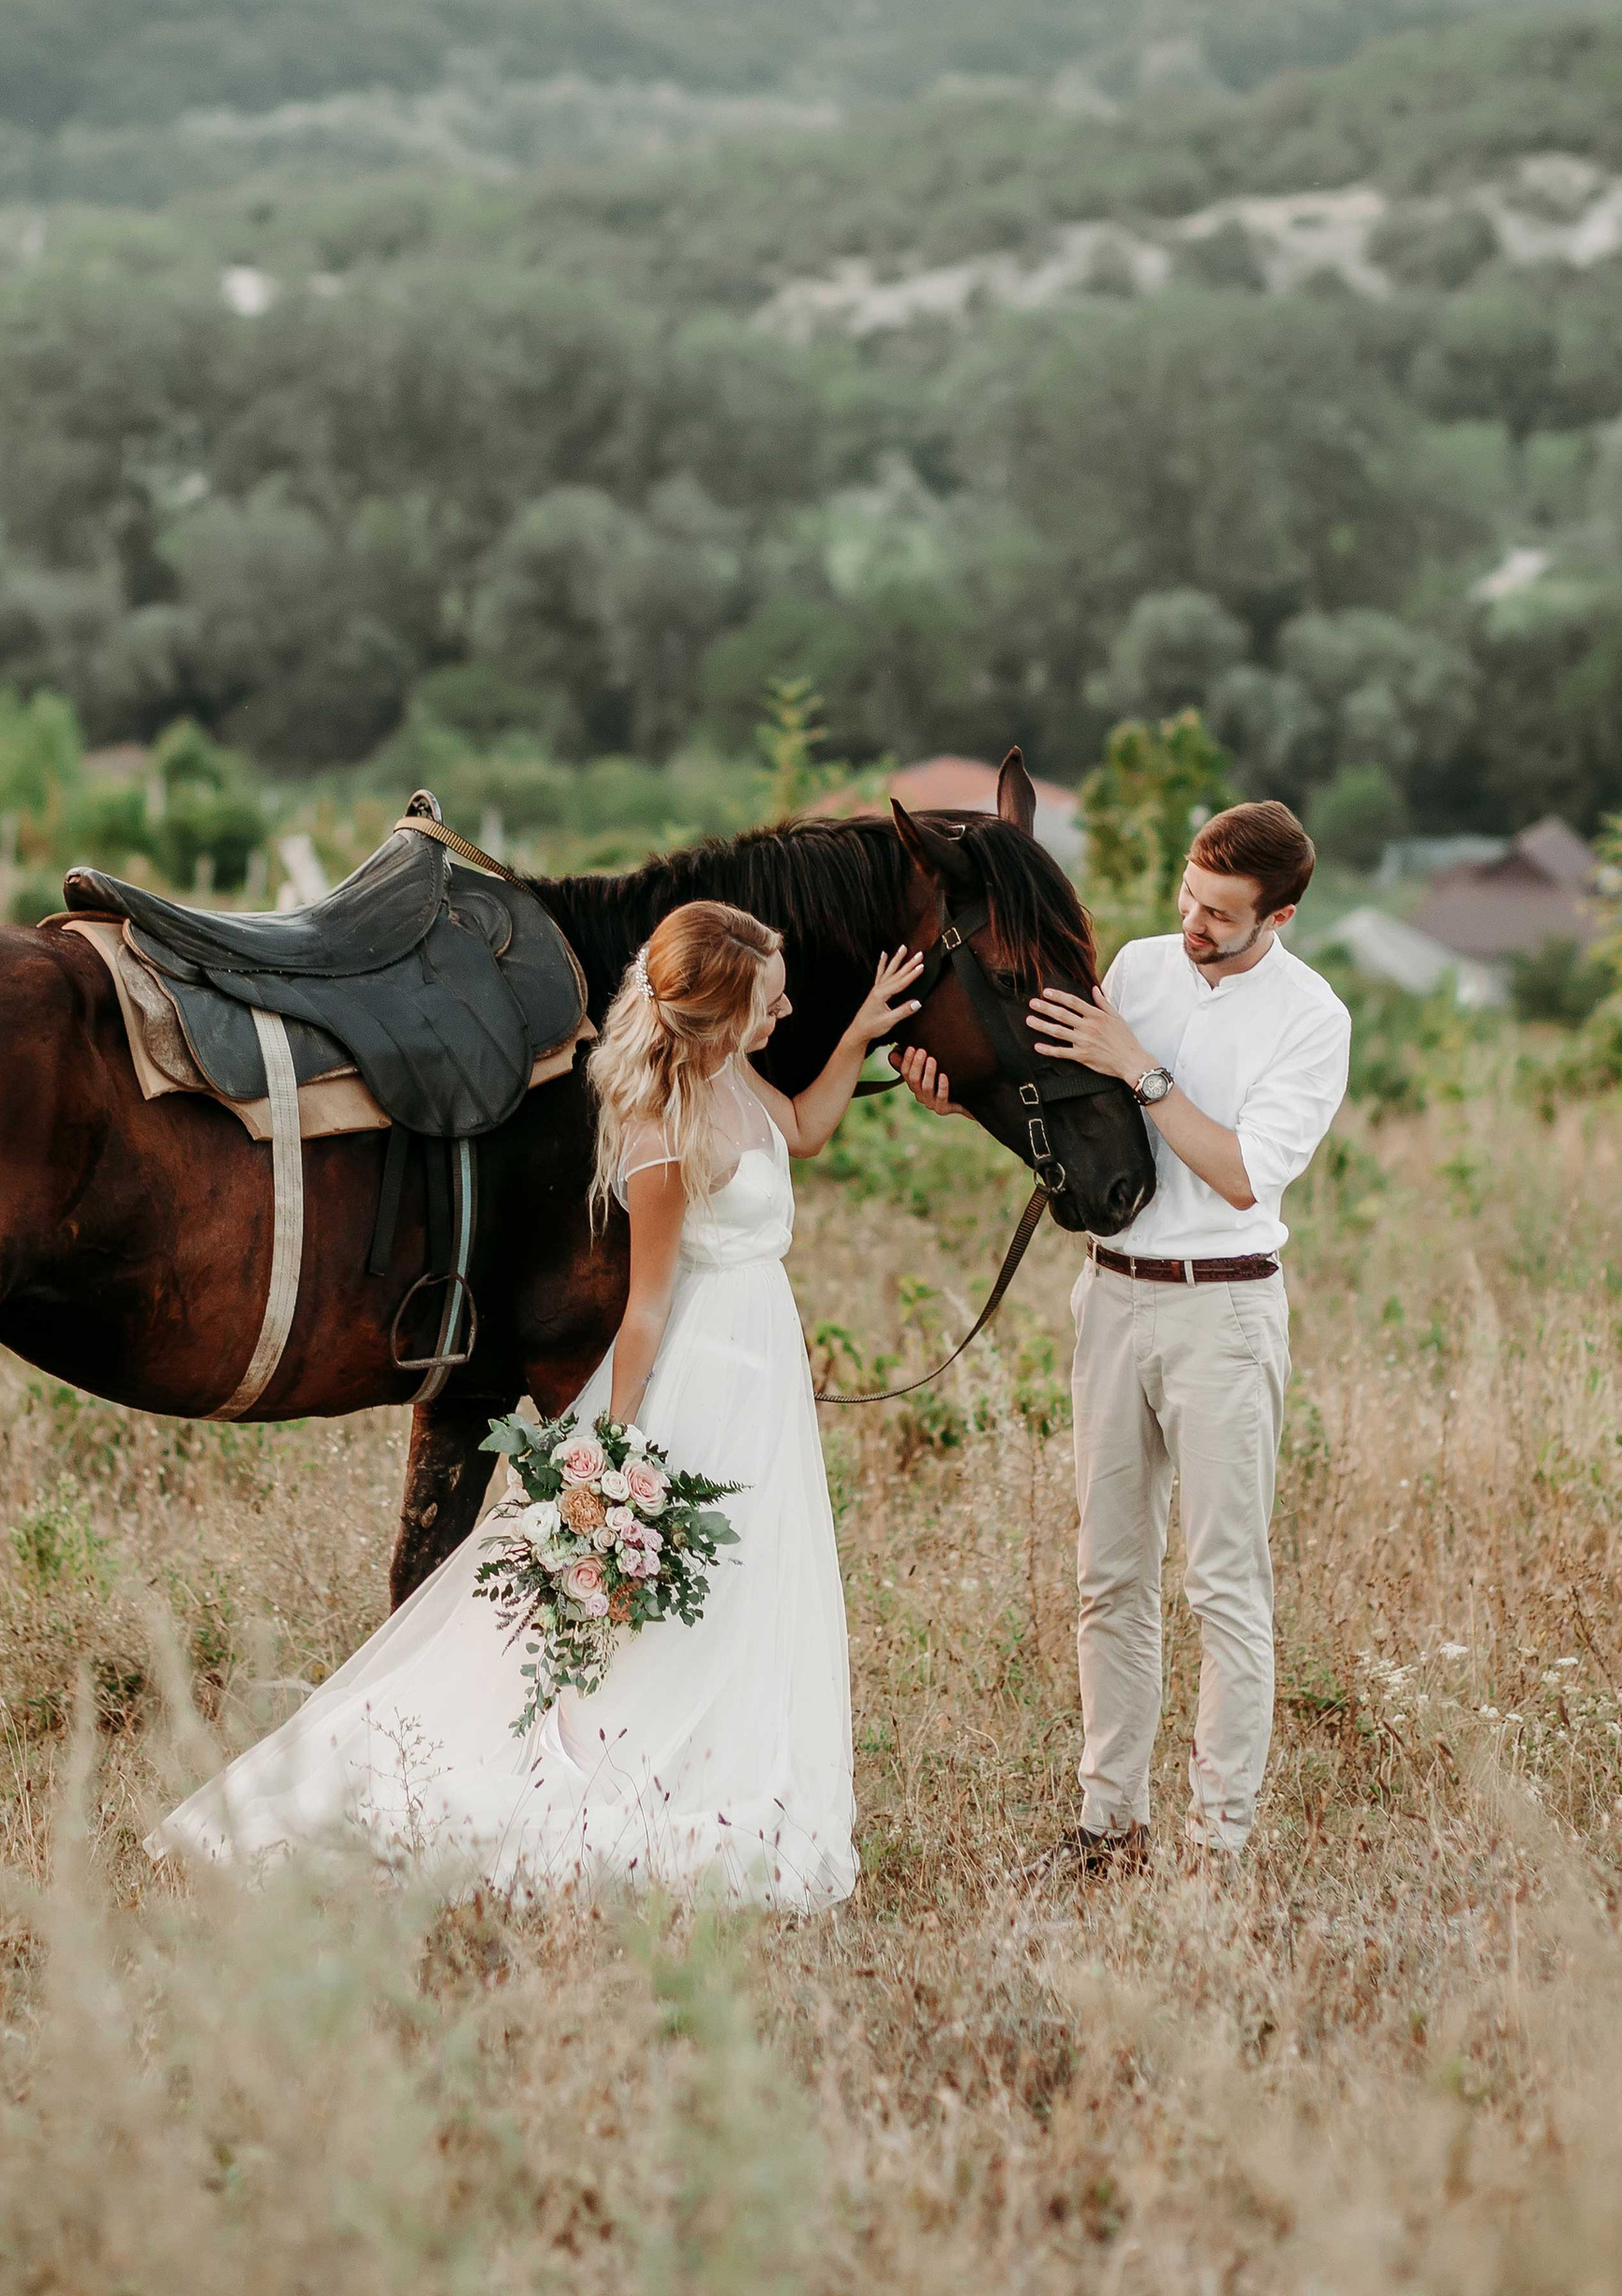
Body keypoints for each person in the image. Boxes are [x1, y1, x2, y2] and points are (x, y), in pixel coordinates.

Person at [154, 901, 922, 1909]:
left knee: (756, 1579)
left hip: (761, 1366)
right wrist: (615, 1450)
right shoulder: (662, 1132)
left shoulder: (736, 1076)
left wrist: (860, 1034)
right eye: (769, 1004)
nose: (784, 1014)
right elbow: (646, 1310)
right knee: (690, 1585)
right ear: (718, 1021)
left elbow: (806, 1132)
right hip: (703, 1375)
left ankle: (737, 1756)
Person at [901, 801, 1348, 1876]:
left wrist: (1139, 1064)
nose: (1193, 923)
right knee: (1108, 1576)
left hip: (1221, 1310)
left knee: (1223, 1586)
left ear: (1279, 917)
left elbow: (1241, 1173)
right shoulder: (1139, 965)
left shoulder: (1311, 1018)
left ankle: (1217, 1844)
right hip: (1109, 1295)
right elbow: (1062, 1091)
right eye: (1190, 897)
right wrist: (961, 1098)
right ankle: (1109, 1826)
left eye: (1221, 915)